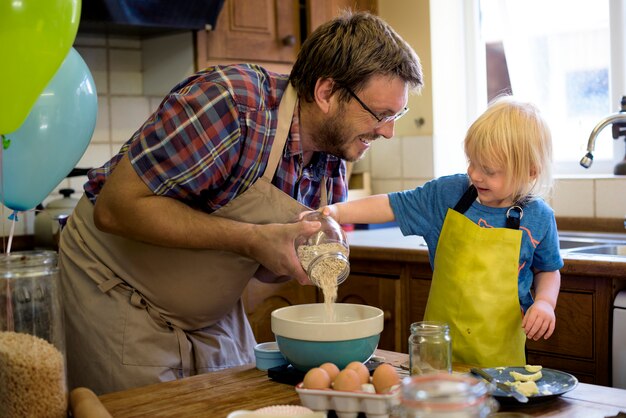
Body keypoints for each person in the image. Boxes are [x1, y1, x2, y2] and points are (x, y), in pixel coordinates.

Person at [57, 10, 423, 394]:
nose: (388, 131)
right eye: (380, 114)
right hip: (118, 291)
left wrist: (291, 256)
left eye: (396, 114)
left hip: (210, 315)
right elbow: (116, 208)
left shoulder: (333, 160)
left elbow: (263, 266)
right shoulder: (231, 105)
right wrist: (252, 239)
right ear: (326, 93)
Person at [321, 96, 562, 367]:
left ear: (530, 172)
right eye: (472, 162)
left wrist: (544, 302)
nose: (476, 175)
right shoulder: (448, 195)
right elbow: (393, 205)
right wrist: (338, 212)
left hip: (501, 364)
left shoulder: (539, 218)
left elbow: (548, 270)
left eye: (489, 170)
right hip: (438, 356)